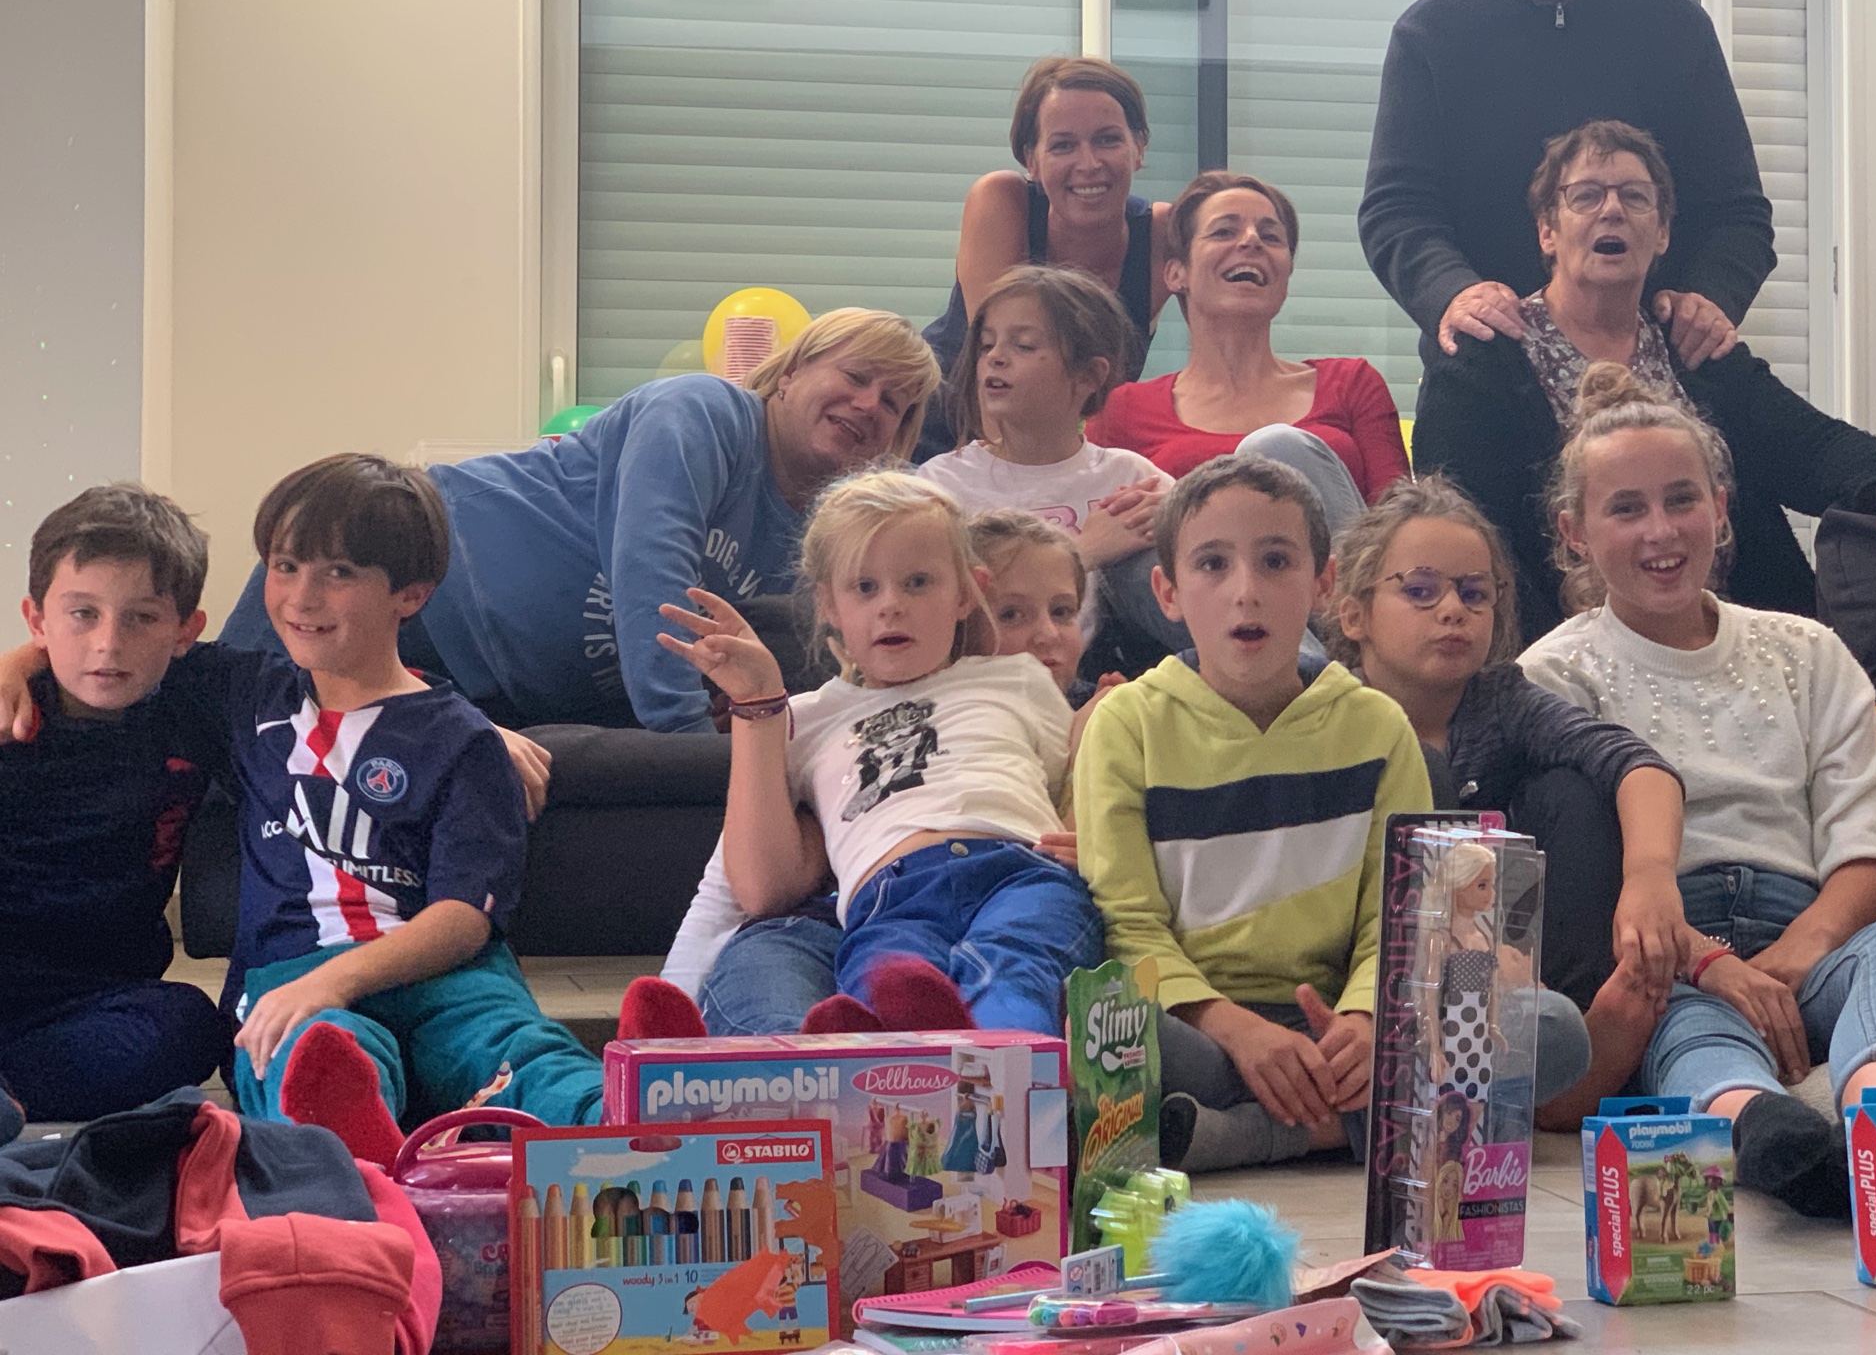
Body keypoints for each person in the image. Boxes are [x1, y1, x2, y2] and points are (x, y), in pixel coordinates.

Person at [1520, 363, 1876, 1219]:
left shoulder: (1807, 651)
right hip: (1669, 947)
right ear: (1574, 532)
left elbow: (1869, 837)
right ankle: (1760, 1124)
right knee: (1674, 1020)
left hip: (1821, 932)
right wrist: (1717, 967)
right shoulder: (1552, 674)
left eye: (1682, 500)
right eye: (1626, 509)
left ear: (1722, 509)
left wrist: (1798, 953)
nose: (1661, 531)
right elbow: (1590, 876)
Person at [218, 455, 697, 1165]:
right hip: (295, 977)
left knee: (515, 1054)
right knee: (305, 1051)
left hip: (449, 978)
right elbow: (129, 659)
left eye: (339, 572)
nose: (301, 596)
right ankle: (354, 1150)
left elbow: (464, 918)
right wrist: (37, 656)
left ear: (410, 594)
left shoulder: (463, 743)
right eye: (285, 566)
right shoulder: (243, 693)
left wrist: (338, 978)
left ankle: (639, 1108)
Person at [220, 309, 941, 735]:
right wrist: (691, 751)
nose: (869, 404)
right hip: (397, 574)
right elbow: (652, 569)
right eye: (856, 376)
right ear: (790, 373)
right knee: (219, 748)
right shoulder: (703, 411)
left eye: (896, 404)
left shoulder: (817, 533)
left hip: (488, 693)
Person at [1412, 119, 1876, 643]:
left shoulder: (1691, 344)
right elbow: (1462, 534)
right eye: (1586, 196)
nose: (1612, 210)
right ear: (1547, 232)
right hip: (1565, 652)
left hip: (1737, 636)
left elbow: (1810, 445)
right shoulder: (1485, 359)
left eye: (1635, 197)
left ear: (1663, 233)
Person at [1073, 454, 1438, 1172]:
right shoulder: (1127, 723)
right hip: (1196, 1025)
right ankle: (1346, 1123)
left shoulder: (1377, 726)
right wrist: (1236, 1031)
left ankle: (1253, 1134)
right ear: (1168, 592)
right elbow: (1128, 922)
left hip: (1335, 1020)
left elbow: (1402, 915)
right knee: (1094, 1027)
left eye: (1275, 561)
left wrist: (1367, 1018)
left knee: (1543, 1030)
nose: (1246, 592)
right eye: (1213, 564)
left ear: (1324, 584)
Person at [655, 469, 1104, 1037]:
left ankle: (1001, 1058)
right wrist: (757, 703)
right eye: (865, 587)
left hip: (1019, 871)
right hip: (891, 893)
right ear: (829, 604)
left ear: (966, 593)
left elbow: (1073, 786)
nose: (891, 605)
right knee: (888, 976)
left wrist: (1095, 781)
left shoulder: (1016, 679)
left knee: (1014, 964)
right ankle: (898, 1049)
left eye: (917, 582)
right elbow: (735, 889)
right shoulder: (807, 718)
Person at [1359, 0, 1769, 370]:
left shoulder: (1678, 32)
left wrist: (1710, 298)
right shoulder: (1431, 36)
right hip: (1487, 374)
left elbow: (1739, 215)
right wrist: (1452, 291)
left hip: (1662, 373)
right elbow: (1395, 211)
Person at [1324, 474, 1685, 1037]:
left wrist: (1650, 876)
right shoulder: (1326, 714)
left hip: (1495, 966)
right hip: (1364, 972)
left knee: (1571, 791)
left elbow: (1636, 765)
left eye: (1474, 593)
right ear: (1354, 615)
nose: (1452, 609)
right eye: (1420, 590)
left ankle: (1572, 1024)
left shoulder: (1500, 700)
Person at [0, 485, 233, 1124]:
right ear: (37, 621)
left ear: (186, 630)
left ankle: (12, 1092)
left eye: (142, 618)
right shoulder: (9, 711)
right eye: (83, 614)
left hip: (96, 999)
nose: (109, 644)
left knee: (192, 1024)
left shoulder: (201, 702)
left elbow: (331, 687)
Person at [1090, 172, 1411, 533]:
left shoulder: (1351, 384)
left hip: (1339, 568)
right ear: (1177, 273)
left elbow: (1400, 532)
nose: (1251, 240)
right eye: (1224, 232)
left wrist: (1184, 507)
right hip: (1183, 568)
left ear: (1287, 272)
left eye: (1271, 236)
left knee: (1281, 445)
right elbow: (1093, 536)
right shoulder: (1123, 409)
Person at [918, 56, 1171, 459]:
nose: (1088, 164)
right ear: (1031, 160)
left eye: (1107, 140)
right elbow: (995, 380)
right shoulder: (1004, 201)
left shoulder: (1161, 235)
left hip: (1061, 462)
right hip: (936, 440)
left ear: (1139, 148)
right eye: (1063, 145)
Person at [918, 264, 1171, 649]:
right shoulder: (940, 484)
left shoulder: (1130, 476)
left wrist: (1177, 519)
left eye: (1024, 345)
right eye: (987, 345)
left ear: (1089, 376)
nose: (995, 358)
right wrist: (1084, 552)